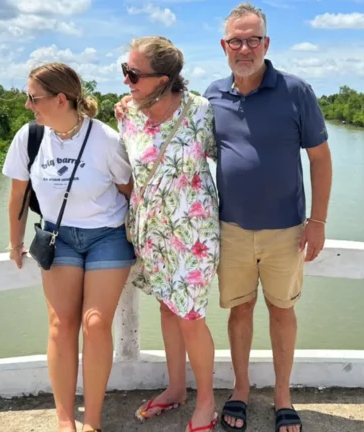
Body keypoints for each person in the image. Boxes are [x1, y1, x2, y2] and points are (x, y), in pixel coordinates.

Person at [206, 3, 333, 432]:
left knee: (283, 312)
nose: (245, 48)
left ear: (267, 43)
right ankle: (240, 389)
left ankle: (282, 395)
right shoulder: (211, 96)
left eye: (253, 39)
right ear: (224, 46)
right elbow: (182, 150)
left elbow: (320, 159)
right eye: (237, 41)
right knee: (239, 311)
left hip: (287, 231)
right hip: (232, 228)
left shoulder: (296, 91)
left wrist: (317, 222)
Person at [3, 62, 135, 432]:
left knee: (95, 324)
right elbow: (17, 196)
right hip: (58, 237)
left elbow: (130, 192)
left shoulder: (105, 140)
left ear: (61, 99)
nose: (29, 105)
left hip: (106, 236)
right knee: (62, 325)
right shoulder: (29, 138)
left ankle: (92, 420)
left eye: (34, 98)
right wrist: (15, 242)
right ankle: (65, 421)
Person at [117, 36, 220, 432]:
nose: (127, 81)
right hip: (152, 236)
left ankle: (206, 402)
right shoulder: (127, 114)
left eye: (134, 74)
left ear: (164, 79)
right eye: (124, 71)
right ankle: (176, 388)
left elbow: (230, 159)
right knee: (167, 308)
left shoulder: (201, 112)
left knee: (191, 316)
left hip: (193, 234)